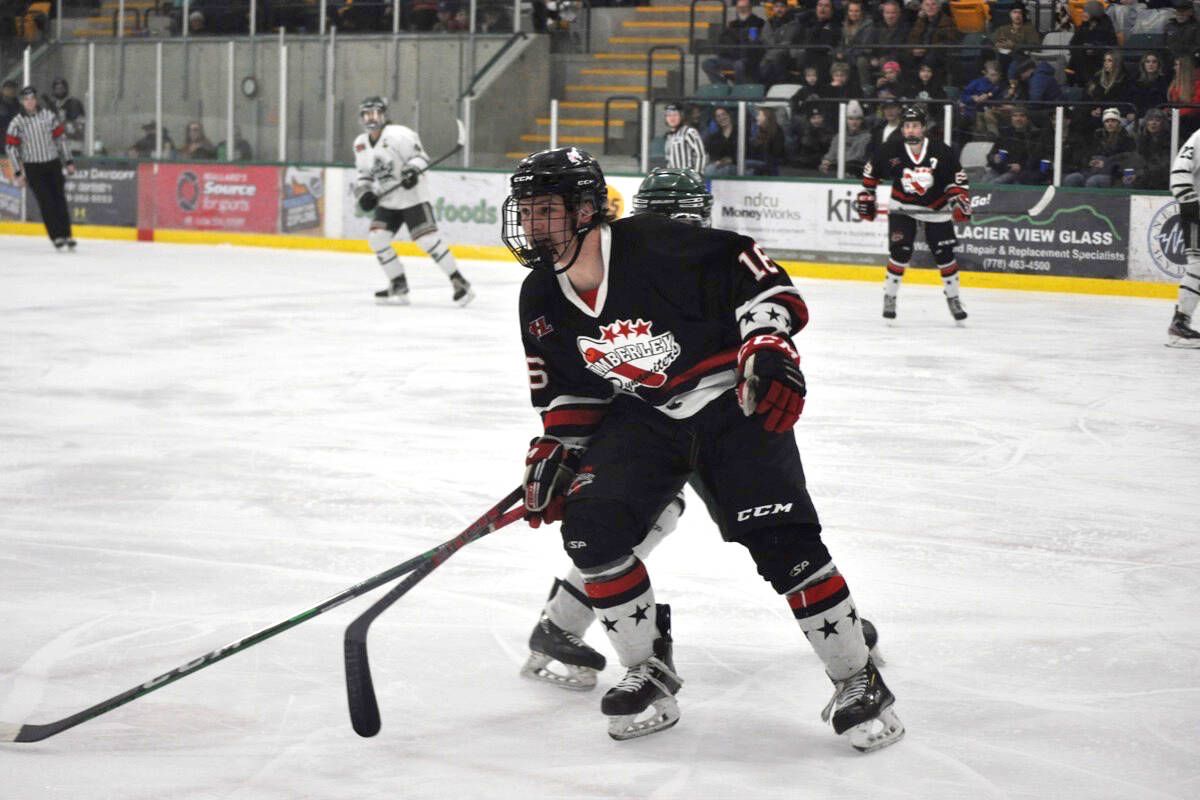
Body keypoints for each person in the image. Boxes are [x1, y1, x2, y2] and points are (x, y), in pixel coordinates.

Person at [502, 146, 902, 750]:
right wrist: (556, 450)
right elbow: (572, 392)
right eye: (525, 211)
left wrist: (767, 347)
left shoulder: (660, 246)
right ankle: (646, 667)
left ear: (586, 209)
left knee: (782, 542)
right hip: (647, 419)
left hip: (729, 411)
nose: (531, 226)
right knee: (592, 526)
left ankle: (857, 678)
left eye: (544, 210)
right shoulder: (541, 296)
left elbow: (760, 279)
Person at [351, 96, 474, 306]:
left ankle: (459, 281)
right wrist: (364, 193)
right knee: (377, 238)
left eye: (375, 113)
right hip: (388, 200)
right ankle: (398, 283)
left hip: (413, 198)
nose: (371, 118)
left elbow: (420, 157)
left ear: (384, 115)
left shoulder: (400, 135)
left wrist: (411, 171)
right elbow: (364, 175)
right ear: (361, 117)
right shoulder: (360, 144)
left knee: (427, 240)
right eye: (366, 114)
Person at [856, 105, 971, 322]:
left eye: (915, 126)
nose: (911, 130)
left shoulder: (941, 151)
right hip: (903, 207)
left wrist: (959, 199)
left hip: (936, 208)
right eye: (907, 126)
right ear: (902, 129)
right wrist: (867, 195)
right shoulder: (890, 149)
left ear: (923, 128)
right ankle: (889, 296)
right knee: (901, 252)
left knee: (944, 255)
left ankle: (953, 297)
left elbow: (957, 181)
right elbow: (871, 174)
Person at [4, 85, 76, 251]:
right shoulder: (17, 122)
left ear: (36, 100)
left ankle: (67, 234)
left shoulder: (48, 116)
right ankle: (56, 236)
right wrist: (17, 171)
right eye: (26, 99)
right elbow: (11, 148)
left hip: (52, 164)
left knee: (59, 199)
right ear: (22, 101)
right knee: (46, 201)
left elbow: (61, 139)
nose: (29, 102)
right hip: (33, 167)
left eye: (32, 99)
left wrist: (69, 161)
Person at [1167, 126, 1200, 346]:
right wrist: (1189, 202)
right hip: (1198, 211)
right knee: (1199, 263)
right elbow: (1180, 169)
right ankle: (1179, 324)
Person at [701, 0, 765, 85]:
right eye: (739, 7)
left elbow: (754, 43)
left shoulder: (758, 23)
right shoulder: (732, 24)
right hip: (732, 58)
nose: (742, 10)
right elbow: (723, 42)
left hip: (749, 59)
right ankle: (722, 87)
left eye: (744, 7)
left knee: (739, 65)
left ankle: (739, 91)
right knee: (707, 63)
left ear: (750, 8)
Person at [986, 105, 1051, 184]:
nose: (1018, 119)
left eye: (1022, 116)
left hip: (1020, 172)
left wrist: (1020, 167)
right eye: (1015, 116)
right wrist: (993, 158)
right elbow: (991, 155)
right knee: (983, 182)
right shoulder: (1005, 133)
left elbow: (1034, 159)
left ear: (1027, 118)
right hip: (1001, 168)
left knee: (995, 183)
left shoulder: (1035, 136)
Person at [820, 100, 871, 175]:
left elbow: (856, 159)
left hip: (855, 173)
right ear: (846, 120)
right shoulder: (839, 136)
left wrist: (835, 163)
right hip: (836, 171)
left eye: (857, 119)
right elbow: (830, 155)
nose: (854, 122)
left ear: (862, 120)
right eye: (851, 118)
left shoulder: (867, 137)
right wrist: (826, 162)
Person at [662, 102, 707, 174]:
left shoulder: (689, 132)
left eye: (675, 115)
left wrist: (697, 175)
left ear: (681, 116)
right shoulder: (669, 136)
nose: (672, 118)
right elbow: (669, 160)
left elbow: (701, 154)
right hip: (674, 178)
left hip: (687, 179)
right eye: (669, 115)